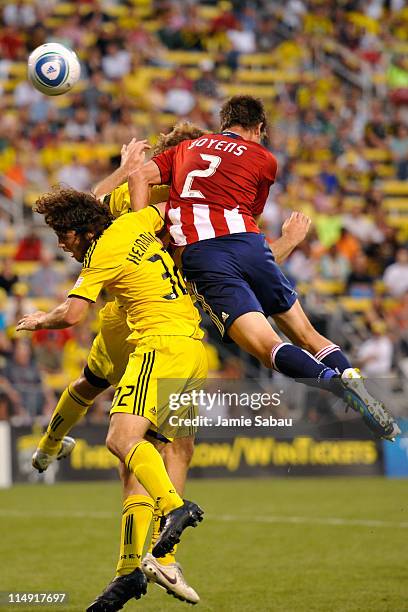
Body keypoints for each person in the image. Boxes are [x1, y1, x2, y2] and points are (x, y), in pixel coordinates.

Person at [28, 128, 312, 606]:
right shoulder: (187, 208)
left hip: (153, 322)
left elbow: (99, 206)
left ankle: (143, 552)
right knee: (159, 445)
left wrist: (129, 170)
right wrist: (283, 246)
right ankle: (157, 551)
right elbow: (98, 209)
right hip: (159, 324)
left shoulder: (162, 205)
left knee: (133, 432)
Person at [128, 95, 399, 441]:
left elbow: (138, 176)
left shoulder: (188, 147)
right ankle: (356, 384)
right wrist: (287, 240)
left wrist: (143, 233)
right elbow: (249, 215)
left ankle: (335, 385)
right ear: (259, 129)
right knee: (309, 335)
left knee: (268, 347)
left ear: (224, 122)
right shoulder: (264, 159)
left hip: (203, 255)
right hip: (249, 245)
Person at [16, 187, 207, 612]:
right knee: (160, 452)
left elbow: (70, 315)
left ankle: (174, 512)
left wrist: (37, 320)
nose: (61, 243)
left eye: (63, 234)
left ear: (85, 230)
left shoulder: (102, 256)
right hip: (193, 347)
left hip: (157, 344)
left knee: (121, 441)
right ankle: (147, 565)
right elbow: (165, 208)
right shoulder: (134, 223)